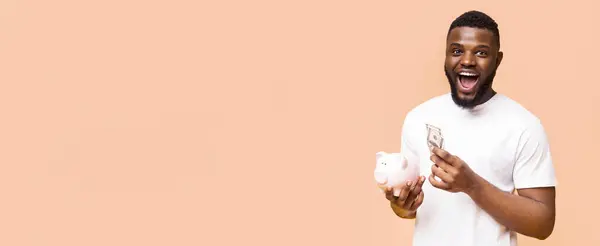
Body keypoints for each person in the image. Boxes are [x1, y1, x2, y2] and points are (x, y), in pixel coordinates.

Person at [383, 10, 557, 246]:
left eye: (481, 53)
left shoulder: (524, 125)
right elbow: (408, 209)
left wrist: (471, 185)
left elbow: (543, 223)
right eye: (456, 51)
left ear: (498, 59)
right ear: (445, 56)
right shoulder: (418, 118)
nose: (467, 60)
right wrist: (402, 205)